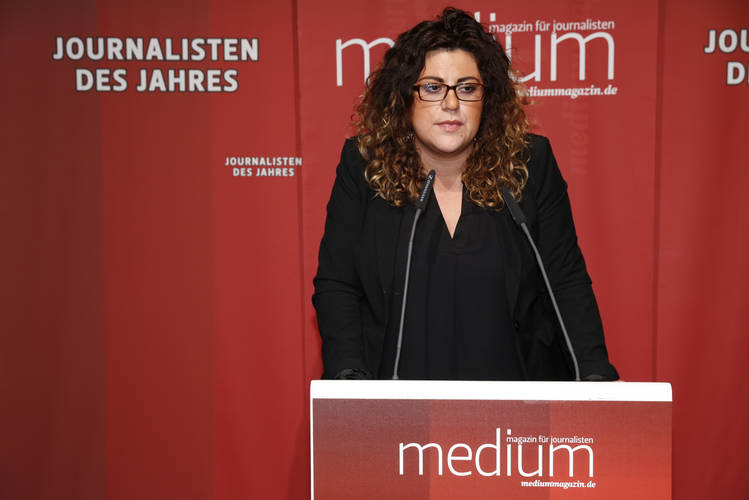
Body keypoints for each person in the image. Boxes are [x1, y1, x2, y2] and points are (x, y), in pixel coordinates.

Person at [312, 8, 618, 381]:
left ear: (487, 98)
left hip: (516, 398)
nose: (452, 103)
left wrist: (594, 376)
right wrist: (350, 380)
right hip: (397, 399)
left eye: (467, 88)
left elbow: (565, 278)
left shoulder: (529, 164)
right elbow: (338, 283)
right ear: (404, 97)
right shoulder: (364, 166)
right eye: (432, 87)